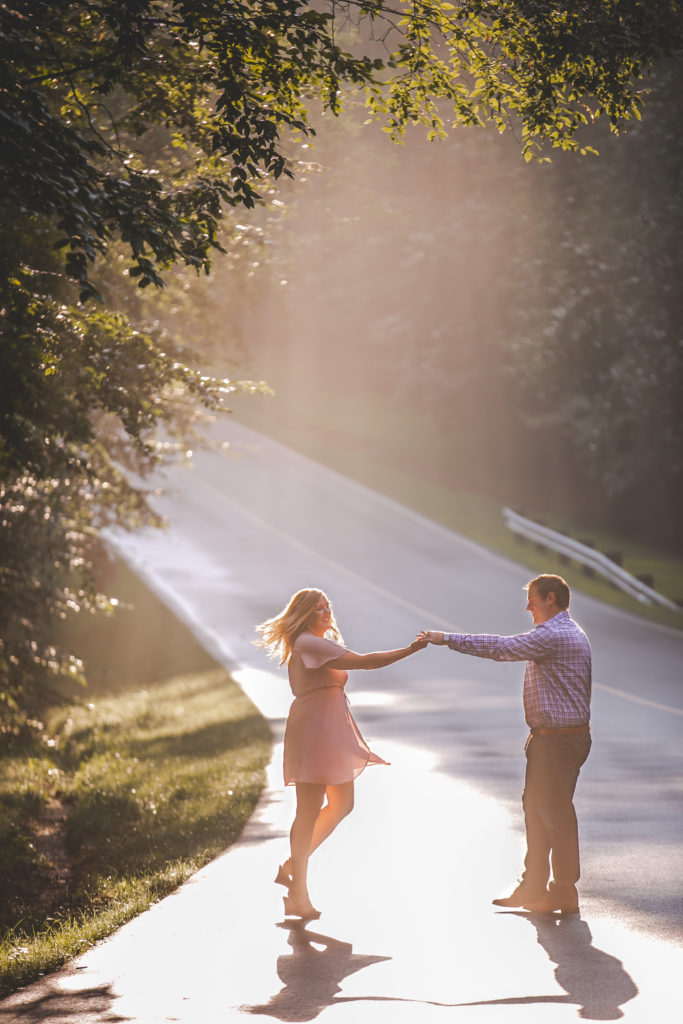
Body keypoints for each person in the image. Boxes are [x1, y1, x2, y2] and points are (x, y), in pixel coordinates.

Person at [419, 573, 592, 915]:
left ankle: (562, 892)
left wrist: (446, 638)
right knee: (537, 811)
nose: (528, 606)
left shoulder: (554, 634)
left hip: (557, 743)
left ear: (551, 599)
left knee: (554, 815)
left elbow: (502, 648)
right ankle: (534, 888)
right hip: (556, 739)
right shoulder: (571, 631)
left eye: (534, 599)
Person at [256, 587, 426, 920]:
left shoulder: (315, 643)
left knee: (342, 804)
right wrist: (411, 649)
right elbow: (366, 663)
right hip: (314, 729)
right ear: (304, 614)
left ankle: (293, 866)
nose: (325, 613)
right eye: (317, 609)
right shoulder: (308, 643)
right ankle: (298, 892)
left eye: (327, 607)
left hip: (328, 728)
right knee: (308, 810)